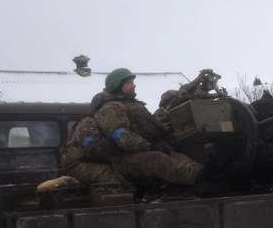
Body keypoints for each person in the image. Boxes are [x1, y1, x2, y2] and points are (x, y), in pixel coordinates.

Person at [61, 68, 203, 189]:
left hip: (133, 151)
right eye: (129, 83)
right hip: (121, 156)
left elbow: (153, 125)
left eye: (133, 82)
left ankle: (204, 174)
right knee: (156, 158)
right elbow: (123, 138)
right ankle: (197, 178)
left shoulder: (134, 105)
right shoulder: (112, 107)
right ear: (116, 85)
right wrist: (150, 146)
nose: (133, 86)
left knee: (177, 156)